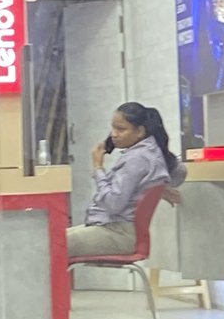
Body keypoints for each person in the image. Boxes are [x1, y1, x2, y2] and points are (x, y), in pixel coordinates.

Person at [66, 102, 186, 259]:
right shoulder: (149, 151)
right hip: (115, 228)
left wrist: (98, 168)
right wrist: (159, 187)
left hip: (118, 233)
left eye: (121, 129)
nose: (114, 135)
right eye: (113, 128)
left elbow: (113, 204)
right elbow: (179, 171)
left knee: (51, 244)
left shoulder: (137, 158)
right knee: (52, 238)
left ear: (140, 132)